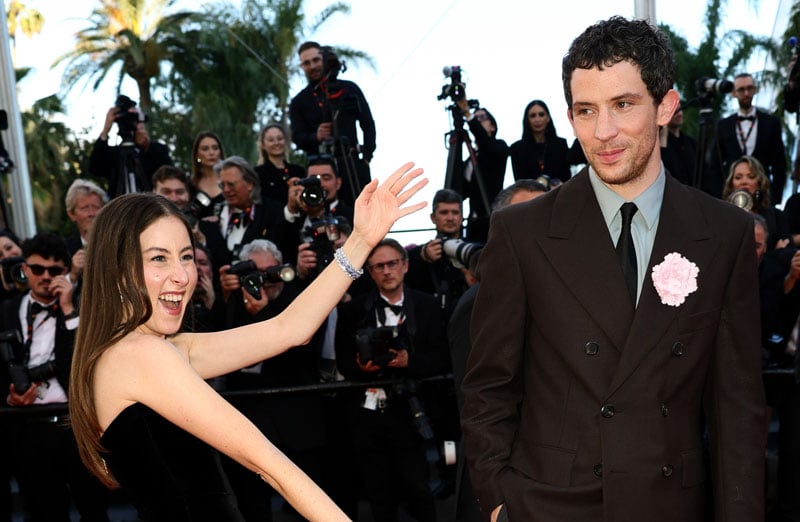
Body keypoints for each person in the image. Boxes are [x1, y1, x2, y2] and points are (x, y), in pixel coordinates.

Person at [461, 16, 766, 522]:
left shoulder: (723, 233)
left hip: (669, 504)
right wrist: (498, 501)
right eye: (586, 110)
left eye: (623, 105)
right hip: (547, 506)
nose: (603, 133)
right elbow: (488, 387)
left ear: (665, 107)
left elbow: (738, 408)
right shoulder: (522, 232)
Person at [67, 162, 426, 521]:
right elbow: (271, 465)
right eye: (159, 258)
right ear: (117, 268)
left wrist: (361, 241)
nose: (182, 276)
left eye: (187, 257)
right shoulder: (141, 355)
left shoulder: (156, 350)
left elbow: (291, 328)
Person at [448, 179, 547, 522]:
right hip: (504, 485)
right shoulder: (479, 300)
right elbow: (478, 401)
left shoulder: (549, 290)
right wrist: (496, 494)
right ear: (502, 225)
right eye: (530, 213)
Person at [335, 238, 450, 522]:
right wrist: (362, 366)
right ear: (371, 272)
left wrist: (410, 362)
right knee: (379, 494)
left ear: (406, 265)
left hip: (412, 411)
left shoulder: (428, 306)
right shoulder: (353, 311)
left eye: (392, 264)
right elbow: (344, 362)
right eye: (378, 266)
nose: (387, 271)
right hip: (368, 416)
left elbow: (444, 357)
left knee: (419, 490)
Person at [0, 232, 109, 522]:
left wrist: (69, 309)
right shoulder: (7, 311)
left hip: (72, 426)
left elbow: (78, 366)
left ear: (65, 271)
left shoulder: (81, 310)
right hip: (26, 429)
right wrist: (9, 396)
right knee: (43, 512)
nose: (46, 277)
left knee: (93, 509)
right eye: (37, 269)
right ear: (24, 269)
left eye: (55, 271)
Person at [289, 41, 376, 205]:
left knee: (363, 209)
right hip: (320, 169)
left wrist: (367, 156)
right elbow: (297, 137)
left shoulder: (349, 89)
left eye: (316, 60)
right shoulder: (299, 101)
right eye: (307, 63)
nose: (312, 66)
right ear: (302, 67)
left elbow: (368, 123)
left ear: (324, 59)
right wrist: (315, 136)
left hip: (352, 162)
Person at [708, 73, 787, 202]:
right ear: (733, 93)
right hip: (731, 197)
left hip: (763, 197)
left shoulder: (771, 123)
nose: (746, 93)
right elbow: (715, 165)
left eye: (749, 88)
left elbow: (779, 164)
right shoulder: (723, 125)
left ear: (755, 89)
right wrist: (719, 198)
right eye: (741, 89)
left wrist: (775, 198)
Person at [198, 156, 287, 268]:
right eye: (222, 185)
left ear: (250, 184)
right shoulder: (212, 213)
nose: (225, 190)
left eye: (231, 184)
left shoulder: (273, 211)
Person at [405, 188, 471, 321]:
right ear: (433, 217)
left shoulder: (471, 252)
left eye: (455, 212)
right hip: (431, 323)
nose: (450, 218)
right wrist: (422, 257)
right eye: (444, 212)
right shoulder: (416, 254)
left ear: (461, 217)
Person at [454, 92, 508, 242]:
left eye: (482, 118)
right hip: (473, 224)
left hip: (492, 219)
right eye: (476, 119)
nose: (478, 121)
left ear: (492, 127)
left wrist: (468, 114)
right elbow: (458, 191)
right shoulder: (470, 160)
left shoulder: (500, 146)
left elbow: (488, 147)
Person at [88, 104, 172, 198]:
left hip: (150, 208)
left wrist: (147, 146)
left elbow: (168, 171)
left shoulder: (155, 149)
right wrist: (105, 130)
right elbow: (94, 168)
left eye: (135, 118)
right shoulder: (114, 154)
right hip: (120, 209)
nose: (131, 123)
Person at [722, 155, 790, 251]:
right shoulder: (720, 215)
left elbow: (788, 254)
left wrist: (777, 255)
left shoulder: (777, 218)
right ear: (731, 184)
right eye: (738, 177)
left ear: (759, 183)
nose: (744, 182)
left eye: (751, 177)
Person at [509, 99, 571, 183]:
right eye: (533, 116)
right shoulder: (516, 148)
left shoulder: (561, 144)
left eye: (541, 115)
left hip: (559, 193)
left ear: (548, 118)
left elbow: (566, 177)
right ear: (527, 120)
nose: (537, 119)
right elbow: (520, 182)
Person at [64, 179, 108, 284]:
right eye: (85, 208)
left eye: (96, 207)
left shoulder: (117, 242)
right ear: (72, 214)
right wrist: (73, 275)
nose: (91, 213)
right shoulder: (65, 249)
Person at [254, 123, 306, 205]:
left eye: (280, 138)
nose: (276, 143)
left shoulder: (299, 171)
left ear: (285, 141)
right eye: (271, 140)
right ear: (263, 145)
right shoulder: (257, 173)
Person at [659, 103, 697, 185]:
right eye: (675, 111)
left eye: (680, 110)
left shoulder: (691, 143)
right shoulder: (661, 145)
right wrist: (663, 134)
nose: (679, 114)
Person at [189, 131, 226, 216]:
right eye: (205, 149)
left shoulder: (230, 181)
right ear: (197, 155)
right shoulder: (191, 185)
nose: (211, 153)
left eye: (215, 148)